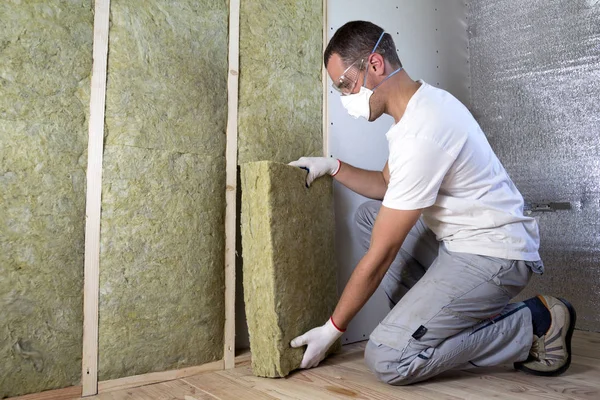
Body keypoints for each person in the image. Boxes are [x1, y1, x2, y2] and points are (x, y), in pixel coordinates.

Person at [288, 20, 576, 385]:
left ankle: (533, 323)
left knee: (389, 358)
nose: (346, 98)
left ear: (375, 64)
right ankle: (431, 321)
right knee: (366, 217)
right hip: (462, 239)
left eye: (346, 85)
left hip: (495, 254)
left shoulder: (423, 131)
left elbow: (381, 257)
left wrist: (333, 328)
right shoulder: (420, 106)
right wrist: (333, 167)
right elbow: (384, 184)